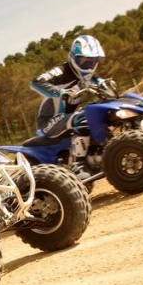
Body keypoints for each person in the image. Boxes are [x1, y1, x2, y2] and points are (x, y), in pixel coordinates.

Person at [30, 34, 109, 178]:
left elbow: (102, 83)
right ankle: (78, 164)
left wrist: (107, 86)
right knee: (82, 118)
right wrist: (60, 92)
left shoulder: (89, 77)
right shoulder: (62, 71)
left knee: (97, 111)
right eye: (83, 61)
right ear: (73, 58)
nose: (87, 65)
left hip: (67, 118)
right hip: (49, 122)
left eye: (91, 62)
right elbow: (36, 82)